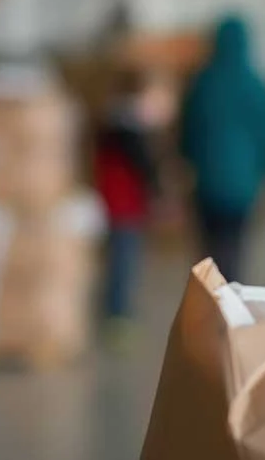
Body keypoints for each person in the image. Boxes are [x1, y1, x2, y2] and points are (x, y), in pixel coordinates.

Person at [179, 13, 265, 282]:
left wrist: (187, 160)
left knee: (208, 248)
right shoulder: (255, 84)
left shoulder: (203, 83)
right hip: (244, 185)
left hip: (207, 183)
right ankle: (232, 299)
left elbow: (188, 132)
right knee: (236, 245)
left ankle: (208, 300)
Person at [95, 70, 172, 345]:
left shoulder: (113, 123)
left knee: (120, 258)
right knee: (124, 260)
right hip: (124, 205)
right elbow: (145, 168)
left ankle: (115, 311)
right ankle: (118, 316)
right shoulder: (130, 130)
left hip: (117, 203)